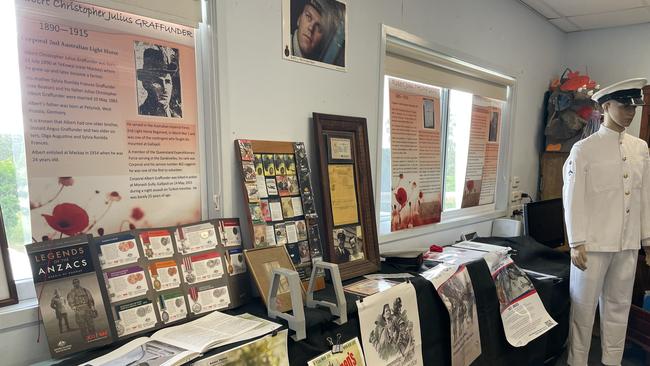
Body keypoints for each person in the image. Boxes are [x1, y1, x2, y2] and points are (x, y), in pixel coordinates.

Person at [562, 78, 650, 366]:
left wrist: (646, 240)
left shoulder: (640, 149)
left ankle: (612, 362)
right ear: (606, 105)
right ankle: (577, 362)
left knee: (618, 309)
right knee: (583, 312)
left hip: (626, 243)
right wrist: (576, 241)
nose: (630, 112)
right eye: (624, 106)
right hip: (592, 244)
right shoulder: (584, 149)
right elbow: (572, 197)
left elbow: (644, 196)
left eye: (634, 107)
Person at [137, 46, 182, 118]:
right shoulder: (140, 114)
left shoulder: (178, 116)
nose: (165, 89)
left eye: (167, 82)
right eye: (157, 82)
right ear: (146, 84)